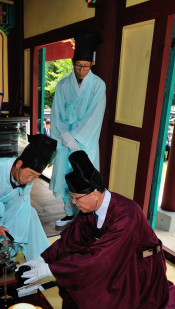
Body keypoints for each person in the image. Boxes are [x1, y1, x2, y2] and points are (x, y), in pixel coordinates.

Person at [19, 151, 175, 309]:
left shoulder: (127, 214)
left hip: (141, 265)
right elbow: (70, 240)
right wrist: (41, 259)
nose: (74, 203)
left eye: (76, 198)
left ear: (94, 193)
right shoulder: (90, 208)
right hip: (116, 256)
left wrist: (50, 270)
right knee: (80, 274)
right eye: (72, 197)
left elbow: (100, 257)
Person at [49, 29, 106, 228]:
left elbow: (95, 116)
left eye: (85, 66)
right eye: (78, 65)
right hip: (65, 139)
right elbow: (56, 112)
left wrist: (76, 137)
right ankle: (68, 213)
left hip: (84, 142)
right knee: (66, 177)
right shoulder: (63, 84)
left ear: (92, 64)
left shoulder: (98, 86)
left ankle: (84, 216)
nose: (81, 70)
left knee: (83, 177)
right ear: (73, 63)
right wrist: (64, 135)